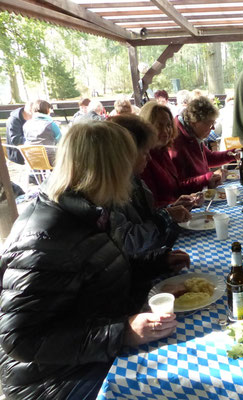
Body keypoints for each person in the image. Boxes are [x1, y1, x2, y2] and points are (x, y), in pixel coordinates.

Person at [0, 122, 178, 400]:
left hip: (89, 352)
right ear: (108, 168)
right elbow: (19, 339)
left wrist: (159, 264)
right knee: (173, 383)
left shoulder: (87, 209)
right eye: (127, 162)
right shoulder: (45, 236)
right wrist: (123, 334)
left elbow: (99, 269)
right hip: (51, 380)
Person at [108, 114, 193, 277]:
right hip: (133, 275)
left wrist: (170, 209)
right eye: (145, 152)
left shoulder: (134, 179)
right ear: (128, 153)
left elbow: (146, 216)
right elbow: (128, 243)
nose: (149, 157)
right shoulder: (110, 191)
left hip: (148, 262)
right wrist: (167, 215)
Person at [170, 96, 238, 193]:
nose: (213, 128)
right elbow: (178, 186)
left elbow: (208, 158)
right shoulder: (176, 142)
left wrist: (232, 154)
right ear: (194, 122)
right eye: (210, 124)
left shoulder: (192, 133)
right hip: (189, 200)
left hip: (201, 193)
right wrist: (207, 178)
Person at [138, 101, 186, 207]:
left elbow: (176, 188)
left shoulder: (163, 151)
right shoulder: (142, 160)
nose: (166, 131)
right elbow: (150, 206)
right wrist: (173, 206)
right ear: (146, 127)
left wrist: (206, 180)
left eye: (168, 125)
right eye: (159, 126)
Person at [23, 99, 62, 164]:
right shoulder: (51, 124)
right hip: (50, 159)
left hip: (32, 159)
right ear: (47, 110)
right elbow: (61, 140)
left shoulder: (26, 124)